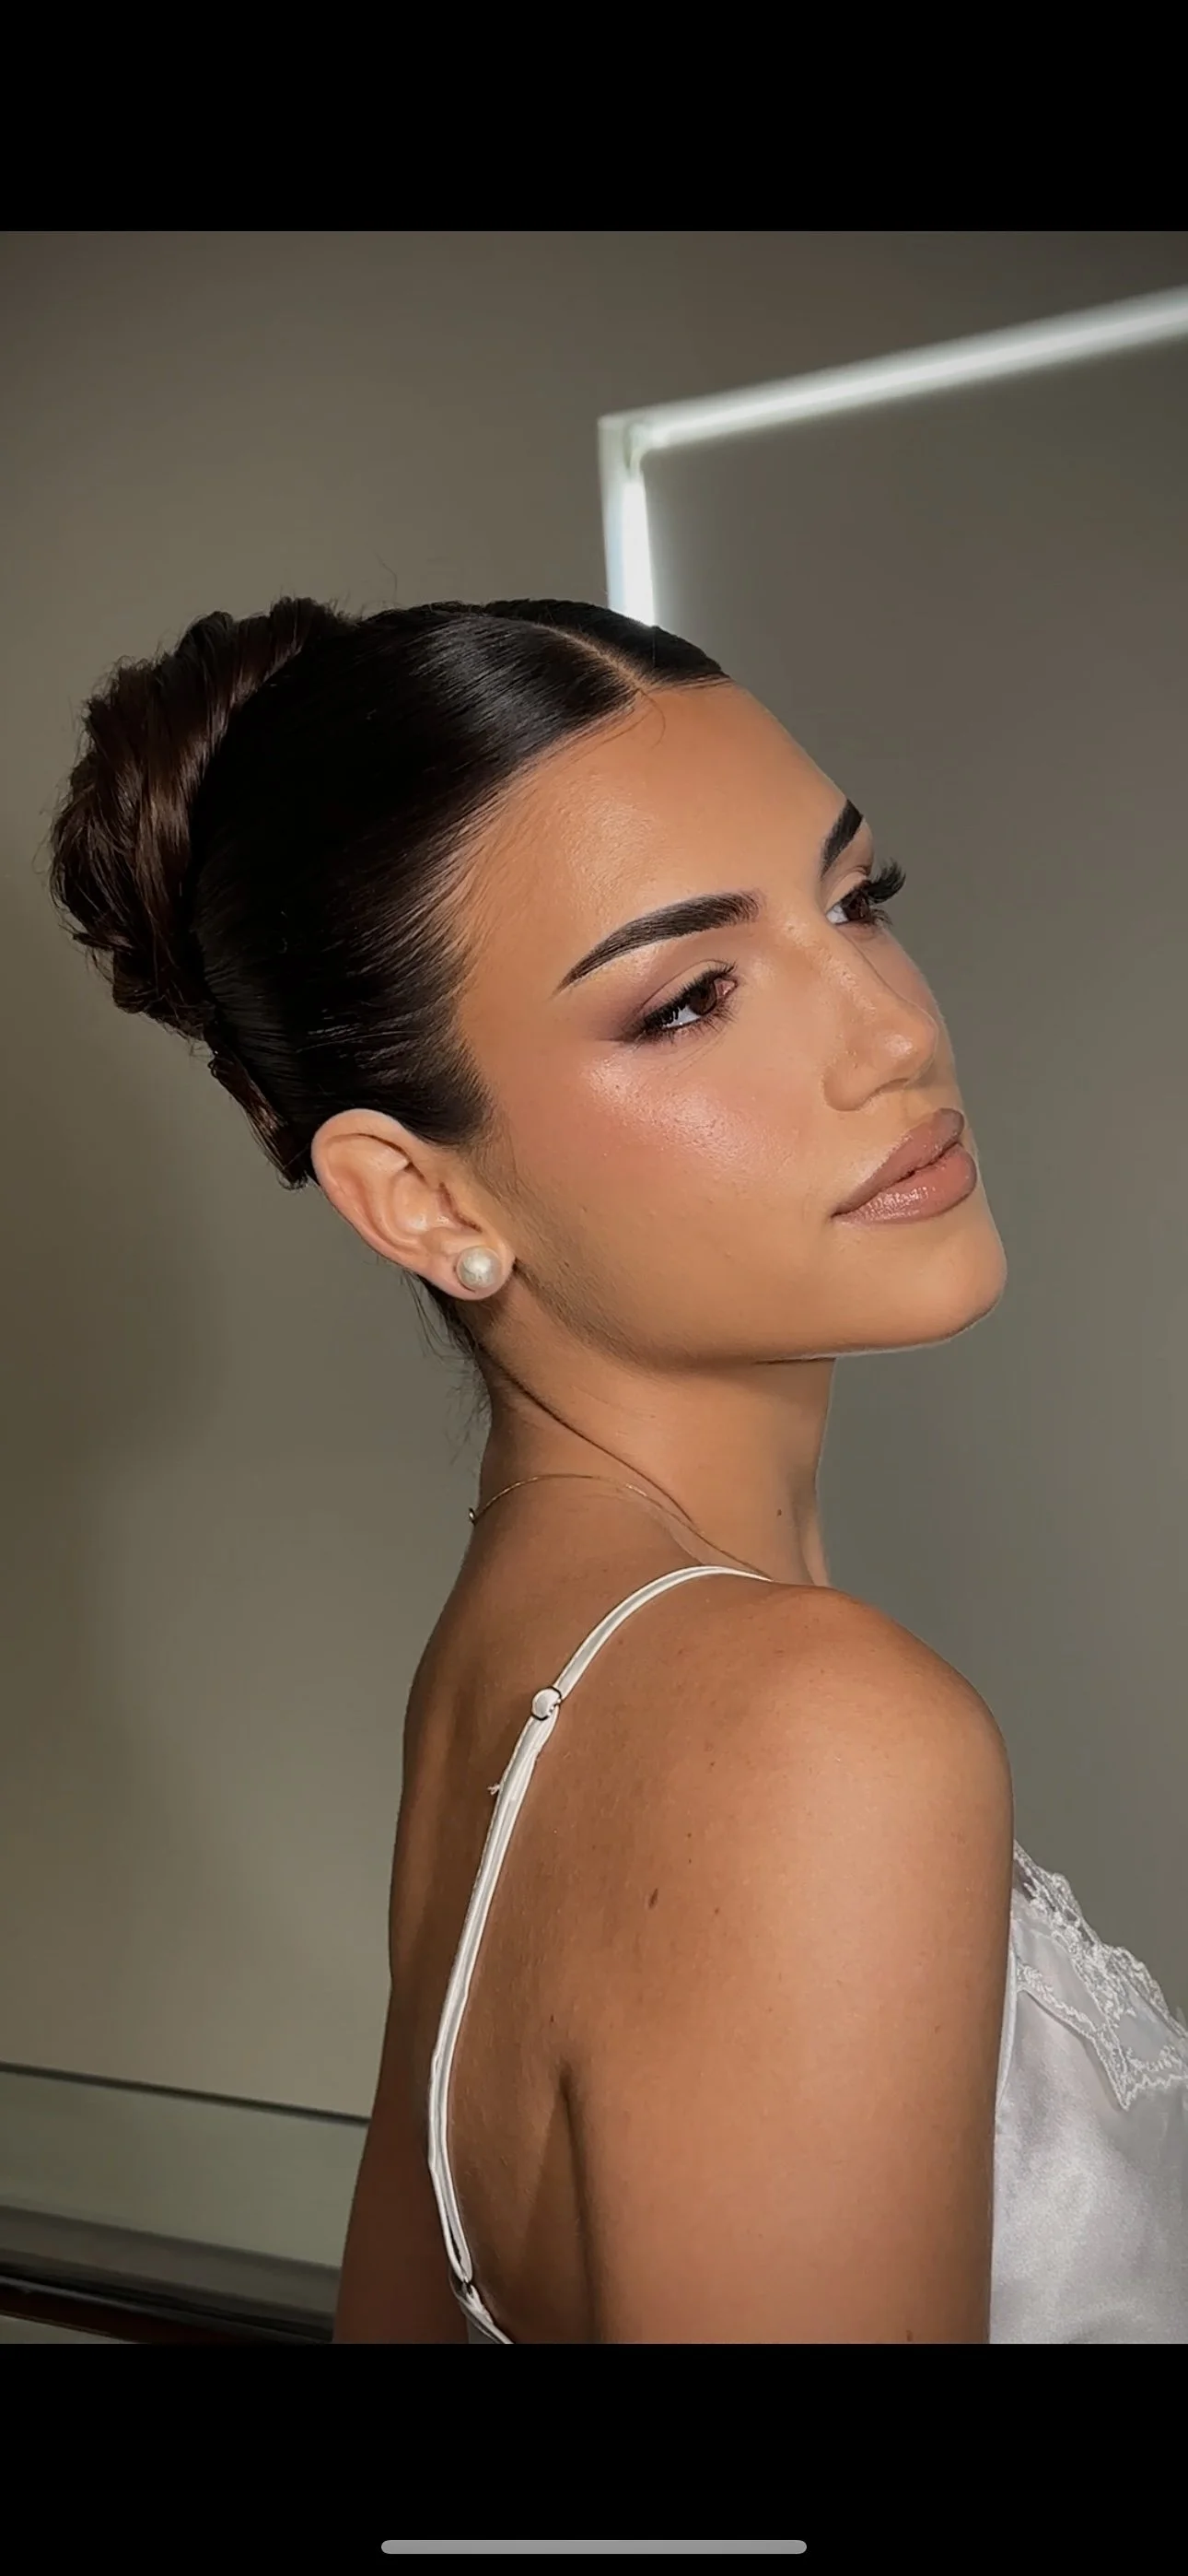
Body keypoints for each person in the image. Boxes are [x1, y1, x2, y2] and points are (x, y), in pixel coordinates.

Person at [46, 594, 1188, 2344]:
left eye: (856, 898)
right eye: (688, 999)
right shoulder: (803, 1729)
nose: (889, 1029)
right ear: (422, 1198)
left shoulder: (513, 1683)